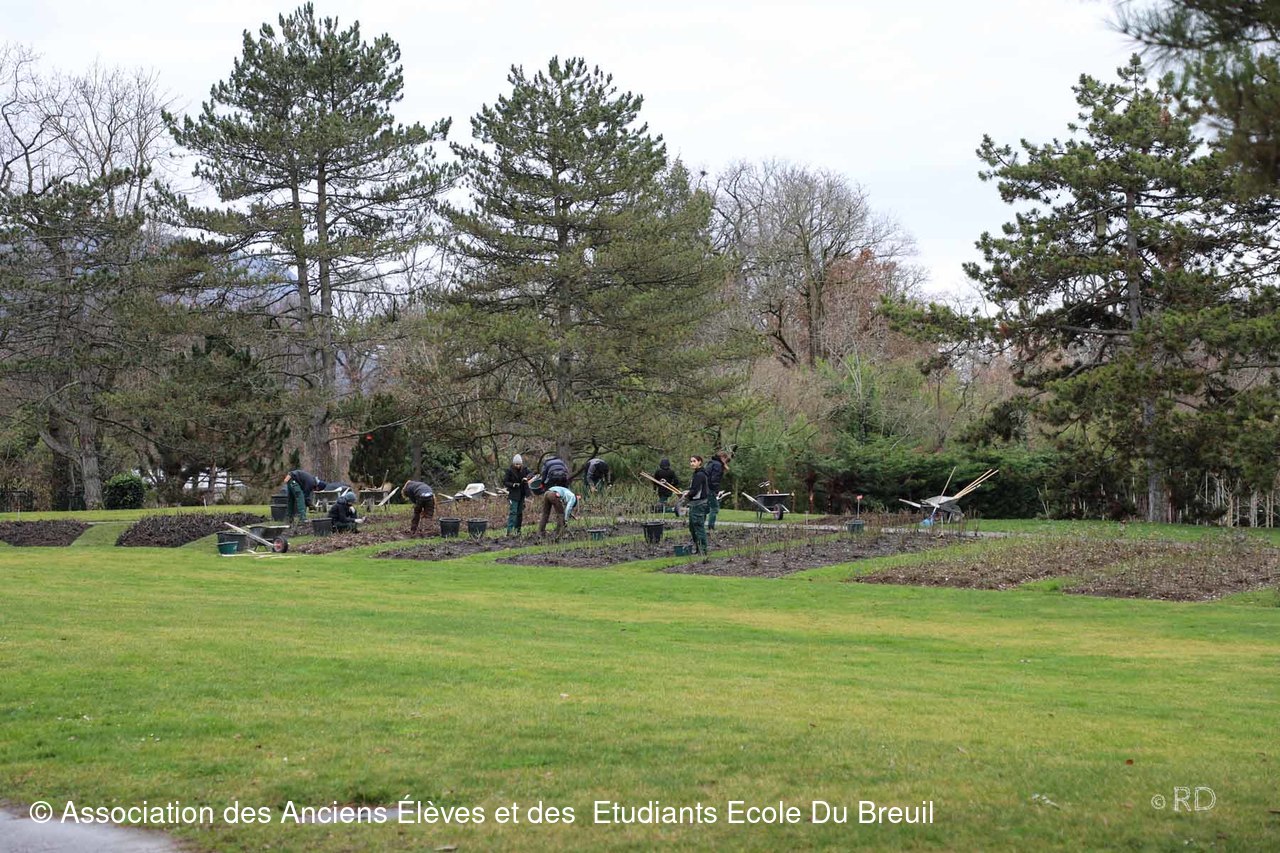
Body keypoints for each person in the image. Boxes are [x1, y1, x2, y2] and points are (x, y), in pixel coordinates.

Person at [684, 455, 710, 556]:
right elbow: (693, 489)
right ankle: (698, 548)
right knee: (692, 528)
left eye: (694, 461)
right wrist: (687, 492)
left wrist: (687, 494)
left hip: (699, 504)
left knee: (698, 527)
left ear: (700, 462)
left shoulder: (700, 475)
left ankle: (703, 550)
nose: (692, 463)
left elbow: (695, 491)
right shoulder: (696, 474)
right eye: (691, 461)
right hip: (694, 504)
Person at [503, 454, 531, 536]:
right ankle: (509, 531)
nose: (518, 466)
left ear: (521, 464)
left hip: (522, 494)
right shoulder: (509, 471)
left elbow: (532, 474)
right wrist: (513, 485)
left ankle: (518, 531)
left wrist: (527, 478)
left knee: (519, 513)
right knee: (513, 512)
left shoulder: (525, 469)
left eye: (519, 464)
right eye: (516, 464)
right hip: (514, 494)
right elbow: (505, 482)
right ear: (513, 464)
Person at [705, 450, 729, 530]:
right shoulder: (718, 465)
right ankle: (711, 527)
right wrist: (716, 491)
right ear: (722, 457)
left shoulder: (711, 463)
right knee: (714, 507)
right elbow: (714, 479)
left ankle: (700, 525)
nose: (726, 462)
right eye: (725, 459)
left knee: (706, 507)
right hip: (710, 488)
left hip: (704, 487)